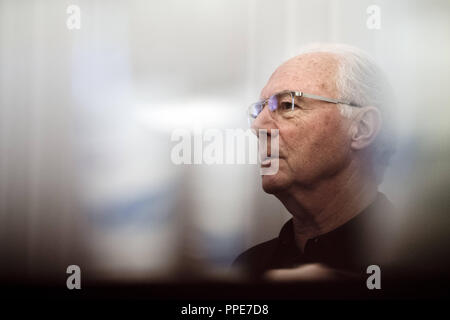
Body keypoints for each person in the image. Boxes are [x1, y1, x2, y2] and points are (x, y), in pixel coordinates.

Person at [233, 43, 397, 281]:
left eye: (288, 105)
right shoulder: (250, 267)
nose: (257, 127)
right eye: (259, 110)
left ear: (361, 128)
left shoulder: (417, 260)